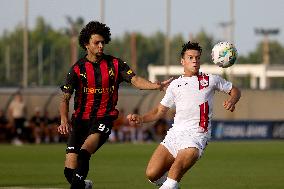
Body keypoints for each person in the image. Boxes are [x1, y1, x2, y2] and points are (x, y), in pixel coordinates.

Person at [57, 20, 172, 189]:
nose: (101, 46)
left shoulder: (115, 64)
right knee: (69, 172)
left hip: (103, 118)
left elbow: (136, 80)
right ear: (86, 45)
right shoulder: (77, 69)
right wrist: (63, 119)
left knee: (84, 153)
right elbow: (65, 98)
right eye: (97, 43)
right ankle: (84, 185)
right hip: (80, 121)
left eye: (103, 42)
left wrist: (156, 86)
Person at [127, 41, 241, 189]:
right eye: (190, 57)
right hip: (175, 135)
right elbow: (159, 111)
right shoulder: (175, 85)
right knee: (152, 174)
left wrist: (232, 99)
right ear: (182, 61)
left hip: (196, 135)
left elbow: (235, 90)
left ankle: (171, 185)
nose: (195, 61)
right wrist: (141, 118)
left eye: (197, 58)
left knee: (174, 173)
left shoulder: (210, 79)